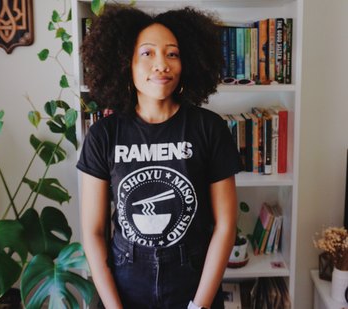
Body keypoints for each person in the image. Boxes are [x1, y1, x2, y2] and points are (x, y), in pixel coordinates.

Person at [77, 4, 242, 309]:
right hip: (126, 284)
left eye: (173, 54)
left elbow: (226, 225)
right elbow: (93, 231)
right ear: (125, 62)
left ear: (187, 62)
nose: (161, 64)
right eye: (148, 53)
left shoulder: (209, 128)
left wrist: (199, 306)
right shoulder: (103, 135)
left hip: (193, 285)